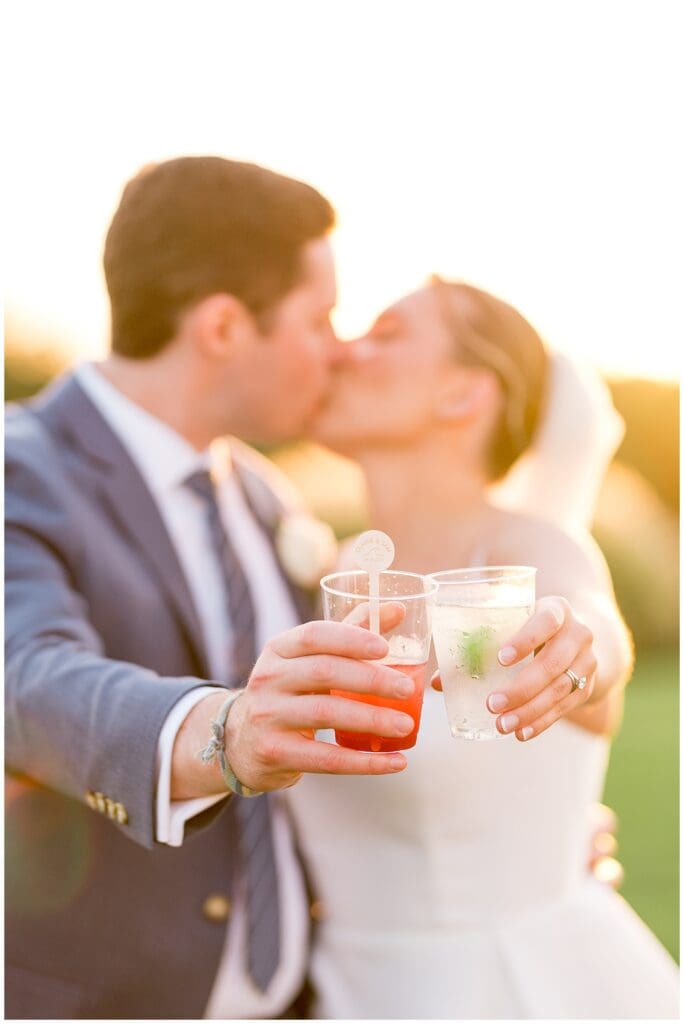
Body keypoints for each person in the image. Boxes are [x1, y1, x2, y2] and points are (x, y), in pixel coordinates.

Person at [4, 156, 421, 1020]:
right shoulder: (20, 467)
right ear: (225, 326)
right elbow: (26, 674)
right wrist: (223, 729)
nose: (338, 348)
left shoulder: (264, 493)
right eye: (321, 317)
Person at [283, 279, 680, 1019]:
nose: (344, 350)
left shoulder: (526, 552)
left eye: (387, 334)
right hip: (347, 993)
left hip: (510, 989)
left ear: (464, 393)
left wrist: (579, 651)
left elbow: (587, 622)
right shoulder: (325, 572)